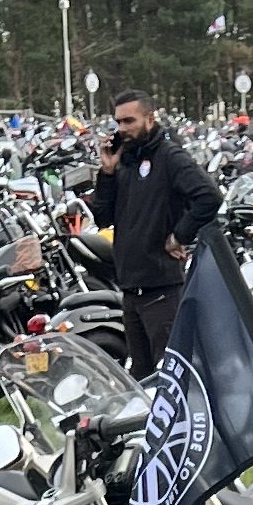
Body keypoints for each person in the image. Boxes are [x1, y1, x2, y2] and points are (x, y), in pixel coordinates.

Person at [89, 94, 218, 377]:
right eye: (118, 121)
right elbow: (102, 218)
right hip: (131, 288)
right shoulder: (125, 161)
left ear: (150, 119)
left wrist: (179, 236)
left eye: (129, 121)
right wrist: (107, 172)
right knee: (142, 378)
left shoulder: (169, 156)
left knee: (172, 376)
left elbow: (208, 196)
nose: (122, 128)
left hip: (161, 288)